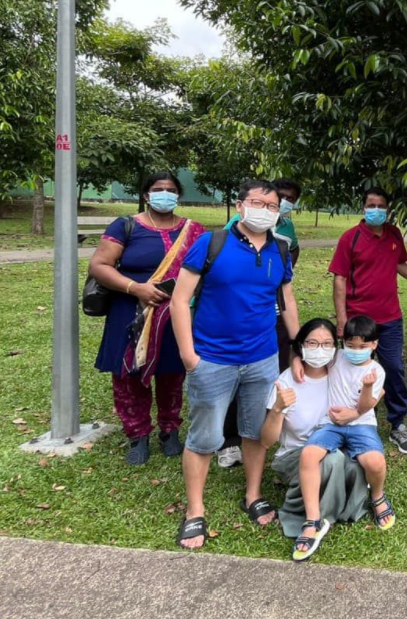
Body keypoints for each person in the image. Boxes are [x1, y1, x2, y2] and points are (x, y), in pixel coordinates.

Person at [170, 179, 300, 550]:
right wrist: (188, 355)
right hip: (212, 358)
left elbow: (286, 298)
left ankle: (253, 494)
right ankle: (195, 511)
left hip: (262, 358)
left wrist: (297, 349)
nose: (265, 210)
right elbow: (180, 300)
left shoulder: (280, 248)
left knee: (256, 432)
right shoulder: (212, 243)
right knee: (205, 437)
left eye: (272, 206)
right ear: (240, 205)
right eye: (257, 202)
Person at [88, 172, 206, 465]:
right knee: (130, 374)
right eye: (157, 189)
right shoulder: (126, 226)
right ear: (145, 195)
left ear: (178, 195)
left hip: (175, 314)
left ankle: (170, 430)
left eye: (170, 190)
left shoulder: (194, 230)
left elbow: (207, 270)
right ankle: (137, 435)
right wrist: (135, 287)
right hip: (131, 311)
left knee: (172, 373)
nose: (164, 194)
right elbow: (99, 265)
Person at [329, 186, 407, 455]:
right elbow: (339, 278)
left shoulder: (393, 234)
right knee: (355, 371)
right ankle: (355, 420)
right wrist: (343, 319)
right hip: (359, 319)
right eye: (371, 205)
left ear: (388, 210)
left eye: (381, 205)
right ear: (363, 208)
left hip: (391, 318)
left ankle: (397, 424)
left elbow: (399, 264)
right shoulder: (350, 238)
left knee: (393, 368)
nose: (376, 210)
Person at [260, 318, 371, 549]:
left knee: (355, 461)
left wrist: (357, 410)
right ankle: (315, 520)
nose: (319, 350)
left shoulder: (340, 371)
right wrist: (279, 408)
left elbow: (374, 377)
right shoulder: (286, 381)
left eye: (327, 344)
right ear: (301, 345)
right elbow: (267, 441)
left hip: (335, 444)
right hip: (295, 454)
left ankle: (337, 506)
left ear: (336, 348)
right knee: (333, 460)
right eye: (311, 343)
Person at [218, 177, 305, 469]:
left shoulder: (286, 230)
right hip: (234, 321)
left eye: (285, 200)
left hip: (272, 316)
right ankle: (229, 441)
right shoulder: (233, 227)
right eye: (275, 197)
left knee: (268, 380)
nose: (276, 205)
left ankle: (260, 435)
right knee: (233, 382)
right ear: (243, 206)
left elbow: (286, 272)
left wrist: (298, 342)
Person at [293, 315, 394, 561]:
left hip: (361, 425)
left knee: (375, 462)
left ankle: (377, 496)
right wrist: (296, 358)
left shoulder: (375, 370)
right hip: (332, 423)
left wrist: (368, 389)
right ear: (343, 343)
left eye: (362, 347)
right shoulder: (336, 358)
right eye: (350, 345)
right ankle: (312, 519)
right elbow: (311, 355)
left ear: (374, 345)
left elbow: (367, 405)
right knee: (309, 454)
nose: (356, 351)